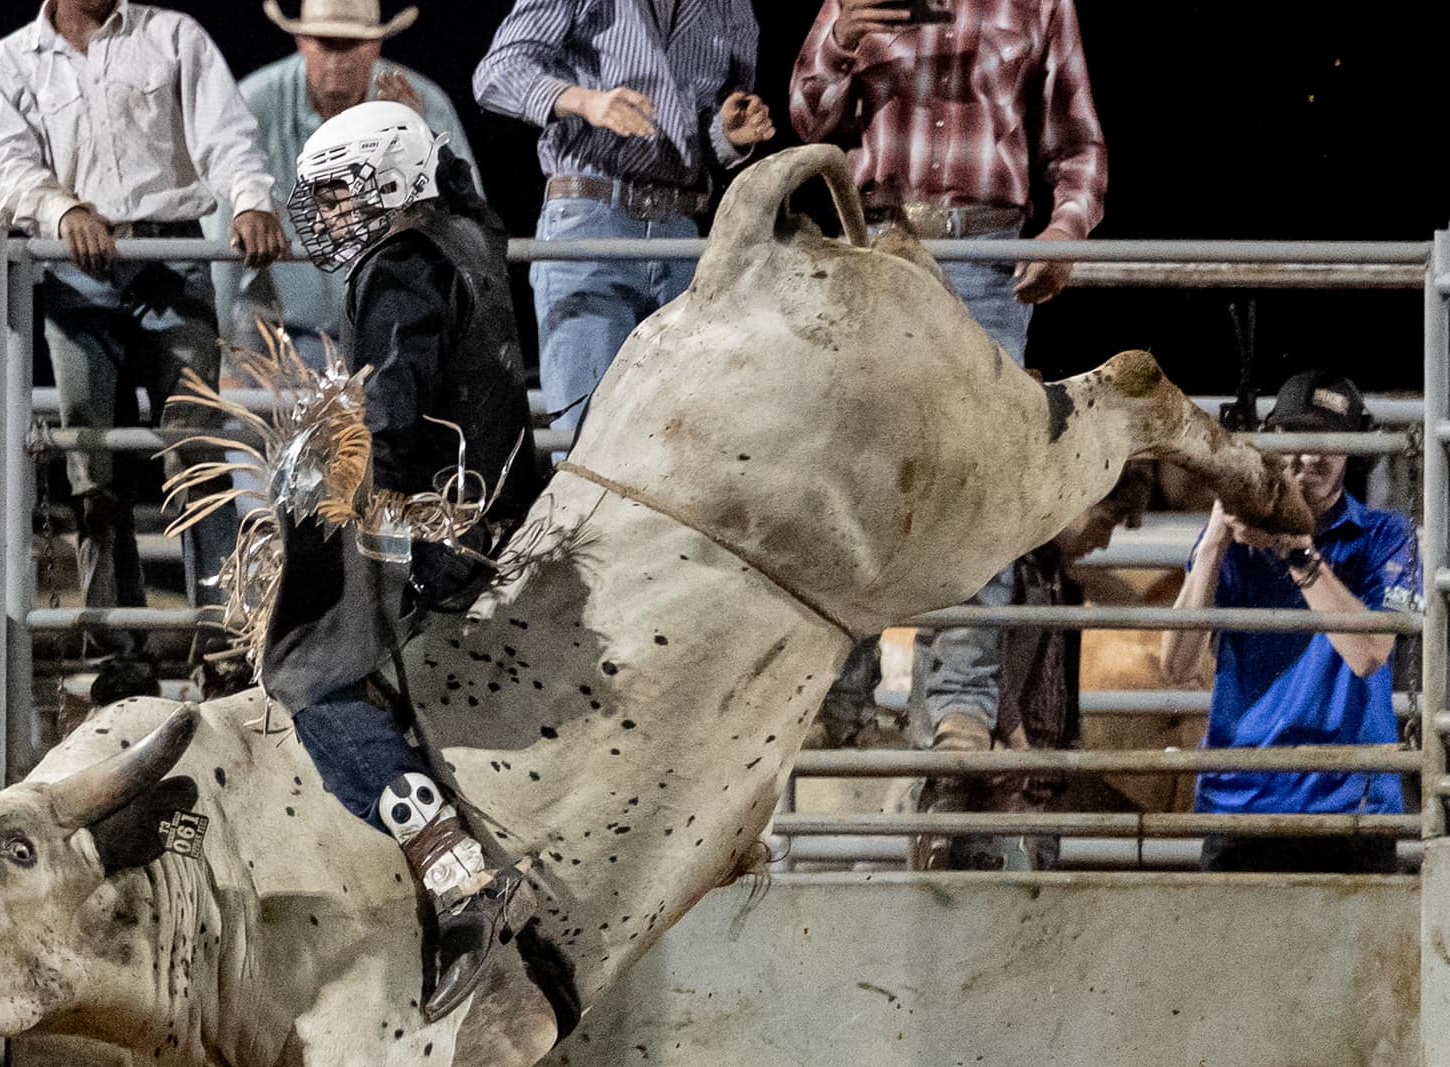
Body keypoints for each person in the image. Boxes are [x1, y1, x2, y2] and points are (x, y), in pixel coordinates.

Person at [263, 101, 543, 1019]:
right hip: (503, 495)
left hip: (439, 521)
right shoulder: (468, 234)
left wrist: (318, 479)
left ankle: (456, 876)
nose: (330, 214)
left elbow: (390, 420)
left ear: (390, 182)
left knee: (305, 673)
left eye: (342, 193)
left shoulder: (398, 271)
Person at [792, 0, 1107, 753]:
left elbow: (1079, 142)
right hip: (876, 244)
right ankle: (840, 693)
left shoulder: (1039, 4)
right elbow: (808, 119)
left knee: (981, 475)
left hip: (987, 253)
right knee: (857, 468)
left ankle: (961, 699)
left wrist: (1065, 227)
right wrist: (838, 41)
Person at [0, 0, 287, 640]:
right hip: (76, 269)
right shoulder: (10, 62)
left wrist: (251, 199)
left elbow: (225, 133)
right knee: (93, 461)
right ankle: (121, 649)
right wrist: (60, 211)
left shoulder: (173, 35)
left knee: (195, 447)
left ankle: (224, 637)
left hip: (170, 254)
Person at [473, 0, 775, 440]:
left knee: (681, 446)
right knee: (587, 444)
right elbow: (496, 73)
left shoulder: (730, 7)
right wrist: (586, 101)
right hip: (591, 223)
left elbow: (712, 121)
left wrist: (727, 133)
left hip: (681, 233)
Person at [1161, 369, 1418, 874]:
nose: (1310, 457)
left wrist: (1292, 550)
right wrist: (1214, 536)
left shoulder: (1389, 536)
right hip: (1242, 802)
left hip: (1350, 807)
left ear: (1350, 450)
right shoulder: (1232, 541)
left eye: (1328, 440)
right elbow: (1176, 664)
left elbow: (1368, 656)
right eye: (1296, 438)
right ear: (1274, 443)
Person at [214, 0, 479, 363]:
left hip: (392, 329)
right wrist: (222, 352)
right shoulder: (256, 102)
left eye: (351, 45)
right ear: (302, 43)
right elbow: (222, 229)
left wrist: (418, 139)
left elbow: (465, 215)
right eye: (326, 43)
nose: (338, 60)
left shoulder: (423, 105)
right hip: (277, 329)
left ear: (376, 47)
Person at [908, 488, 1141, 871]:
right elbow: (962, 653)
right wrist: (1006, 730)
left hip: (1029, 785)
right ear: (1075, 495)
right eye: (1105, 519)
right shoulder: (1002, 562)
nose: (1104, 540)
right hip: (994, 778)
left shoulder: (1049, 572)